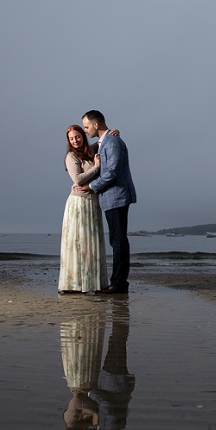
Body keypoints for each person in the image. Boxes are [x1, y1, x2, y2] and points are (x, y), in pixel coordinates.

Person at [76, 110, 136, 294]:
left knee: (118, 241)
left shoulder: (113, 141)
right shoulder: (106, 141)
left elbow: (112, 172)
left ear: (95, 124)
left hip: (117, 196)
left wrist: (91, 186)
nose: (85, 131)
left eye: (86, 127)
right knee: (116, 240)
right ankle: (118, 282)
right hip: (111, 197)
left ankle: (118, 284)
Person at [58, 124, 108, 294]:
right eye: (71, 138)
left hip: (92, 202)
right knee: (77, 243)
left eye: (77, 136)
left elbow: (102, 141)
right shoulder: (71, 156)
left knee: (91, 244)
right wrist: (96, 167)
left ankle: (93, 283)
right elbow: (78, 179)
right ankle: (73, 284)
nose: (75, 140)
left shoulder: (89, 151)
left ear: (82, 136)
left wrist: (112, 132)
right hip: (78, 203)